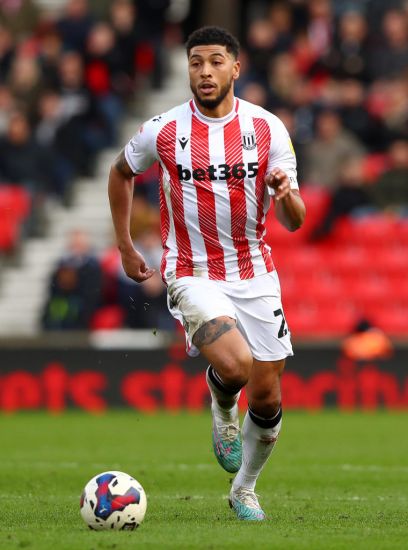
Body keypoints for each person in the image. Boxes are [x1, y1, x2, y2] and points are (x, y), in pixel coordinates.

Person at [108, 26, 305, 521]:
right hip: (191, 269)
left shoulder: (267, 129)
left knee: (266, 393)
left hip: (254, 271)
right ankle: (222, 411)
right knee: (236, 366)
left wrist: (285, 193)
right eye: (196, 62)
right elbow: (120, 171)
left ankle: (244, 489)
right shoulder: (165, 129)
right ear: (187, 69)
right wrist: (126, 244)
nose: (205, 71)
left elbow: (296, 220)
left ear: (235, 68)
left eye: (216, 61)